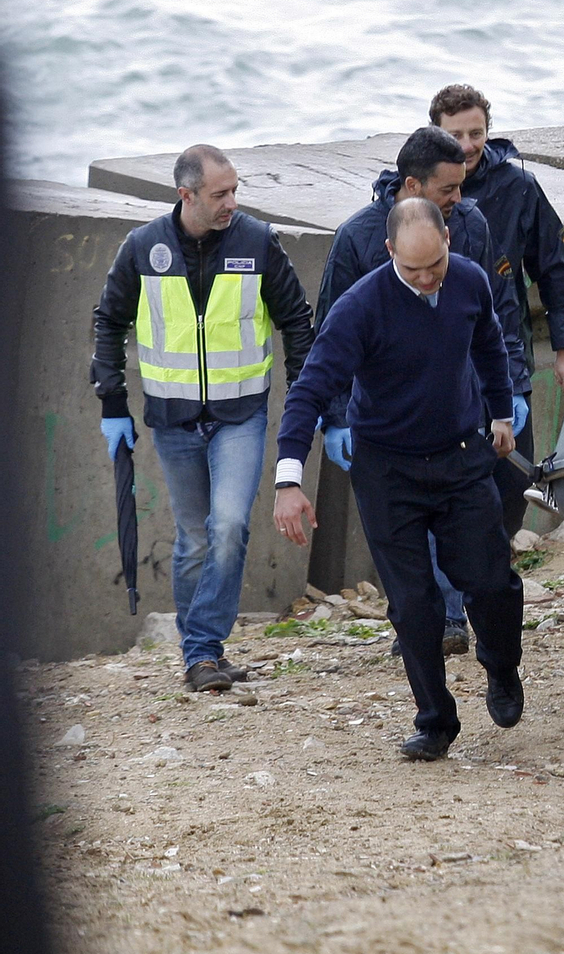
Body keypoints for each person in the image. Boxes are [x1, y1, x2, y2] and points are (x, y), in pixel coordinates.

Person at [272, 198, 525, 762]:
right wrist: (289, 479)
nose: (427, 279)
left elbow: (489, 343)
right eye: (413, 270)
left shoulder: (469, 282)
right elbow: (310, 390)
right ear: (389, 253)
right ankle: (435, 720)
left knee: (490, 582)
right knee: (414, 605)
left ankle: (502, 668)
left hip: (461, 455)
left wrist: (502, 412)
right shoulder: (360, 308)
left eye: (435, 265)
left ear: (447, 244)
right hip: (387, 468)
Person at [91, 145, 314, 692]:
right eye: (220, 194)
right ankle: (202, 658)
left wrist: (317, 404)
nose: (231, 203)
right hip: (174, 420)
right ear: (185, 195)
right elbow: (108, 321)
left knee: (230, 525)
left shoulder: (258, 242)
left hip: (240, 415)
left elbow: (298, 324)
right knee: (193, 539)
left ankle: (201, 650)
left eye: (235, 190)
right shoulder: (143, 247)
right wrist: (113, 402)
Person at [317, 125, 530, 656]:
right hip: (388, 421)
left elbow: (498, 310)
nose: (460, 198)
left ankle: (462, 617)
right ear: (412, 186)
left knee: (475, 526)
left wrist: (510, 395)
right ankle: (432, 620)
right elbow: (329, 336)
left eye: (462, 187)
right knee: (412, 534)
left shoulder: (472, 225)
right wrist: (336, 417)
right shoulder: (357, 239)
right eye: (448, 190)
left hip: (464, 408)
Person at [431, 83, 564, 539]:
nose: (467, 145)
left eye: (476, 132)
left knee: (513, 483)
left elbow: (555, 268)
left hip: (505, 357)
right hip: (437, 363)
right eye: (455, 135)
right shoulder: (417, 193)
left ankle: (495, 563)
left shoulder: (518, 186)